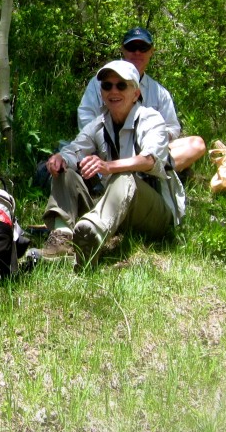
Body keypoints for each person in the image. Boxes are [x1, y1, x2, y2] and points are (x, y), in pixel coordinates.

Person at [41, 60, 186, 265]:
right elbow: (75, 149)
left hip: (156, 212)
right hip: (116, 208)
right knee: (66, 173)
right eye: (107, 86)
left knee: (125, 176)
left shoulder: (151, 119)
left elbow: (149, 160)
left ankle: (92, 237)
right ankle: (62, 236)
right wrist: (60, 159)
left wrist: (108, 166)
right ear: (101, 93)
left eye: (121, 85)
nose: (113, 91)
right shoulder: (99, 123)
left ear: (135, 93)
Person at [77, 27, 205, 173]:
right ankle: (138, 171)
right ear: (123, 50)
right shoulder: (99, 82)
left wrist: (151, 138)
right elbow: (85, 117)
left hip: (148, 149)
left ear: (151, 51)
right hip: (107, 150)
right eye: (132, 47)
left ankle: (144, 168)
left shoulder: (159, 92)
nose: (137, 52)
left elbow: (173, 128)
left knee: (197, 144)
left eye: (143, 48)